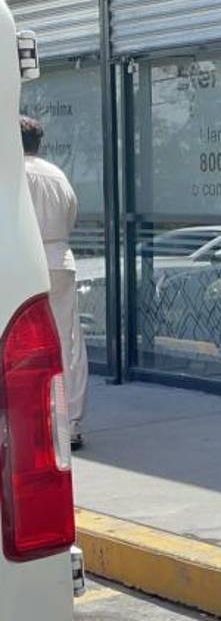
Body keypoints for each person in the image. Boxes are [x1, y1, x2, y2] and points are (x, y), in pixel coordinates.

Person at [21, 115, 88, 450]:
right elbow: (72, 216)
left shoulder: (14, 174)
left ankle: (27, 419)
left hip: (24, 262)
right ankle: (70, 424)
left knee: (20, 345)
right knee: (68, 343)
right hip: (61, 260)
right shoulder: (57, 174)